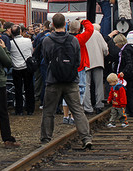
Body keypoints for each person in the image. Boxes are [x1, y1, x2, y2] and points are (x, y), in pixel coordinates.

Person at [40, 13, 92, 148]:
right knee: (78, 111)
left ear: (52, 24)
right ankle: (86, 138)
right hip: (71, 81)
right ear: (65, 24)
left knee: (48, 111)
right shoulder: (73, 40)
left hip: (53, 80)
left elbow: (46, 59)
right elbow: (77, 60)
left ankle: (46, 138)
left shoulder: (47, 40)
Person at [10, 24, 35, 116]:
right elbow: (31, 52)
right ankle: (30, 109)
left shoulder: (11, 43)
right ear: (20, 31)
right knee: (29, 88)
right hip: (27, 67)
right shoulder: (28, 40)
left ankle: (19, 109)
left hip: (16, 68)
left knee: (18, 90)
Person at [84, 23, 108, 115]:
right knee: (99, 85)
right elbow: (105, 48)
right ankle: (99, 105)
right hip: (98, 62)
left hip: (86, 63)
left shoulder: (84, 33)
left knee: (86, 86)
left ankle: (88, 107)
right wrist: (105, 54)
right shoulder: (98, 34)